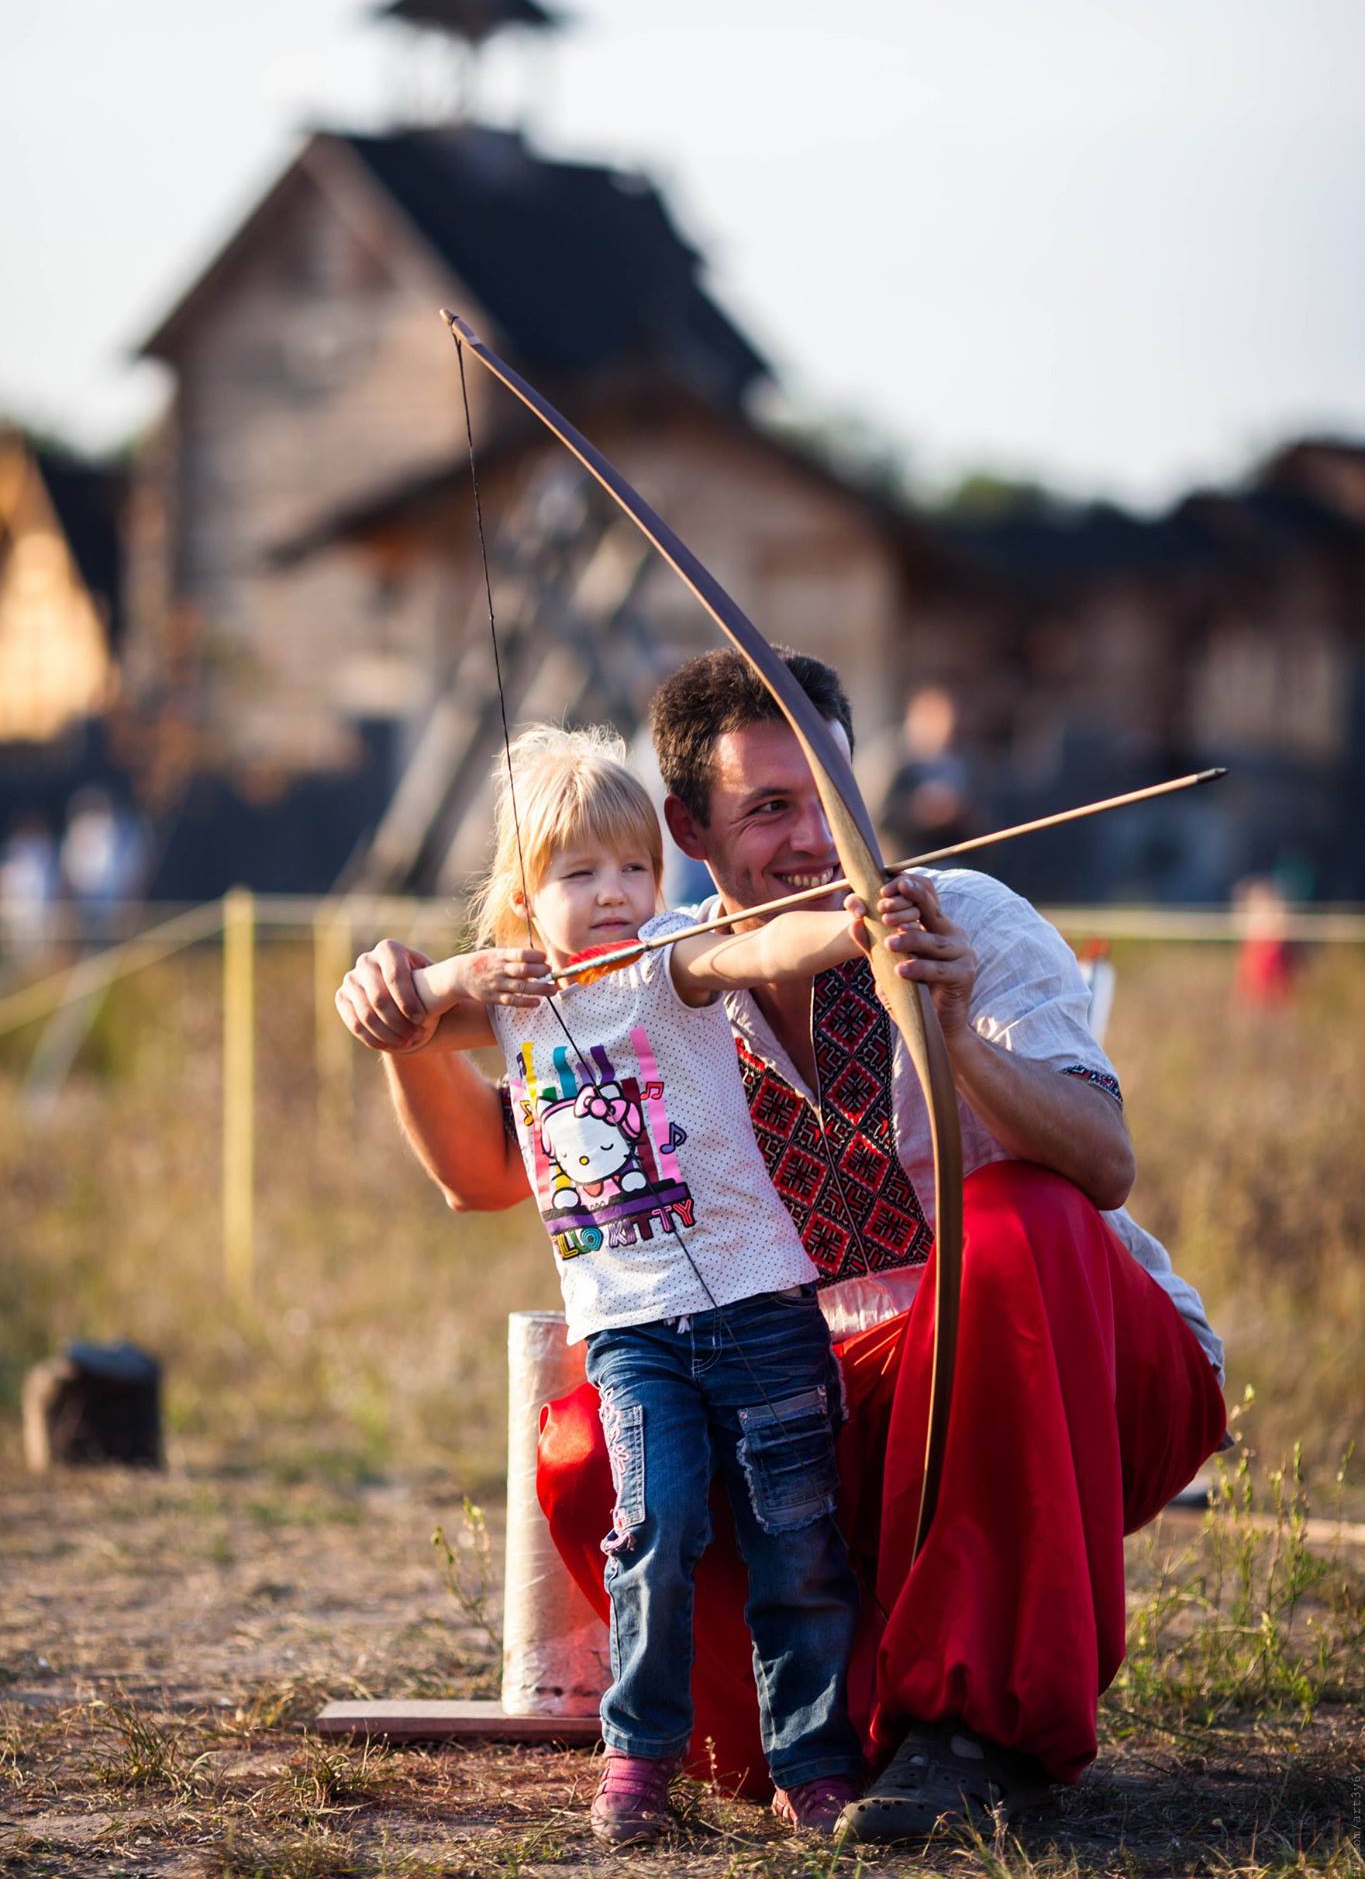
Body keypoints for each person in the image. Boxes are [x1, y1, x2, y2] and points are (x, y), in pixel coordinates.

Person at [337, 650, 1227, 1845]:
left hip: (1074, 1383)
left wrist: (956, 1035)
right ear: (688, 830)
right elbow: (489, 1169)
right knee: (591, 1446)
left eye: (832, 795)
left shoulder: (961, 915)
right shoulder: (652, 959)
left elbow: (1104, 1164)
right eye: (768, 807)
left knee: (1021, 1215)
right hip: (826, 1410)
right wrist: (404, 1029)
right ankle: (813, 1735)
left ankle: (982, 1729)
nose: (814, 836)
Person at [382, 720, 912, 1843]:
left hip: (760, 1306)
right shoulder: (511, 999)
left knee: (796, 1541)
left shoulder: (670, 955)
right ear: (522, 900)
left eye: (634, 866)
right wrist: (454, 973)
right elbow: (411, 1013)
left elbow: (754, 954)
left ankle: (813, 1762)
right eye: (580, 874)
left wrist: (851, 923)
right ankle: (638, 1758)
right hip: (631, 1329)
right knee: (655, 1530)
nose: (616, 892)